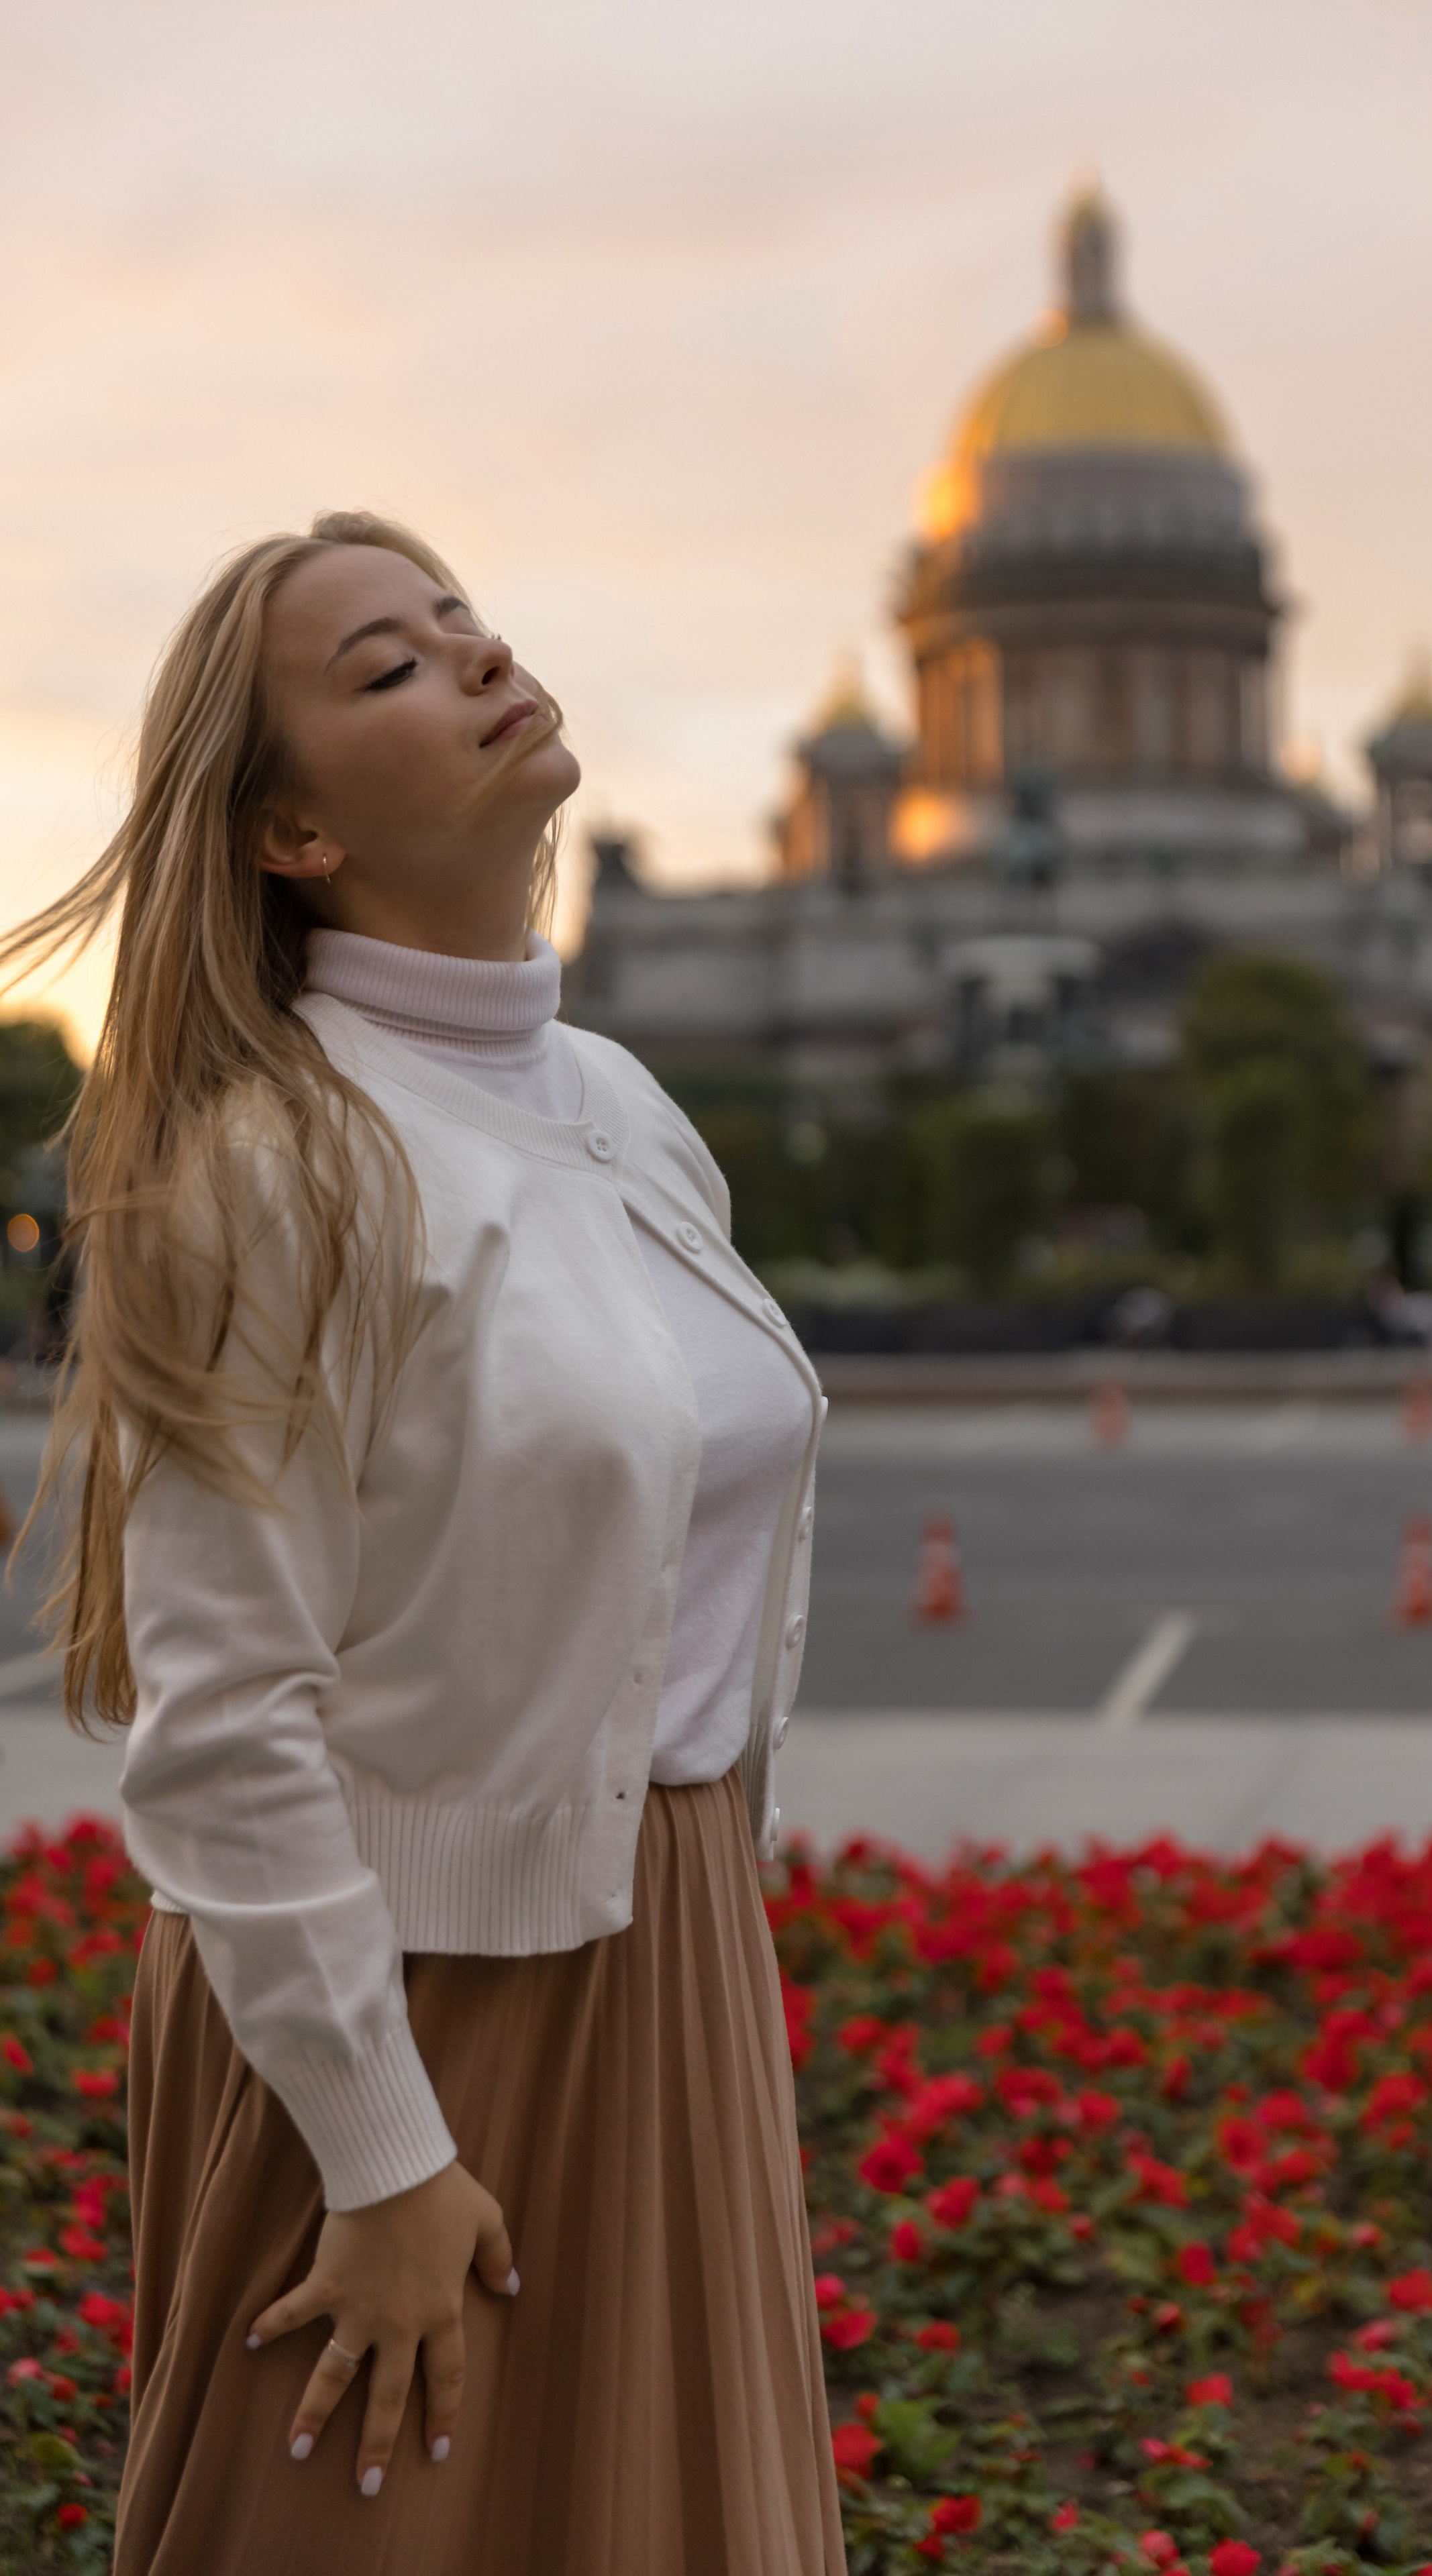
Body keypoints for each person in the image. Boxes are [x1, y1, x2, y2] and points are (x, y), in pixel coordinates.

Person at [5, 513, 843, 2574]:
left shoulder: (627, 1105)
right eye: (388, 666)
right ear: (288, 831)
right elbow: (215, 1730)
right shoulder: (270, 1165)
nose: (474, 661)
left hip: (659, 1964)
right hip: (397, 2017)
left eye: (465, 623)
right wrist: (379, 2160)